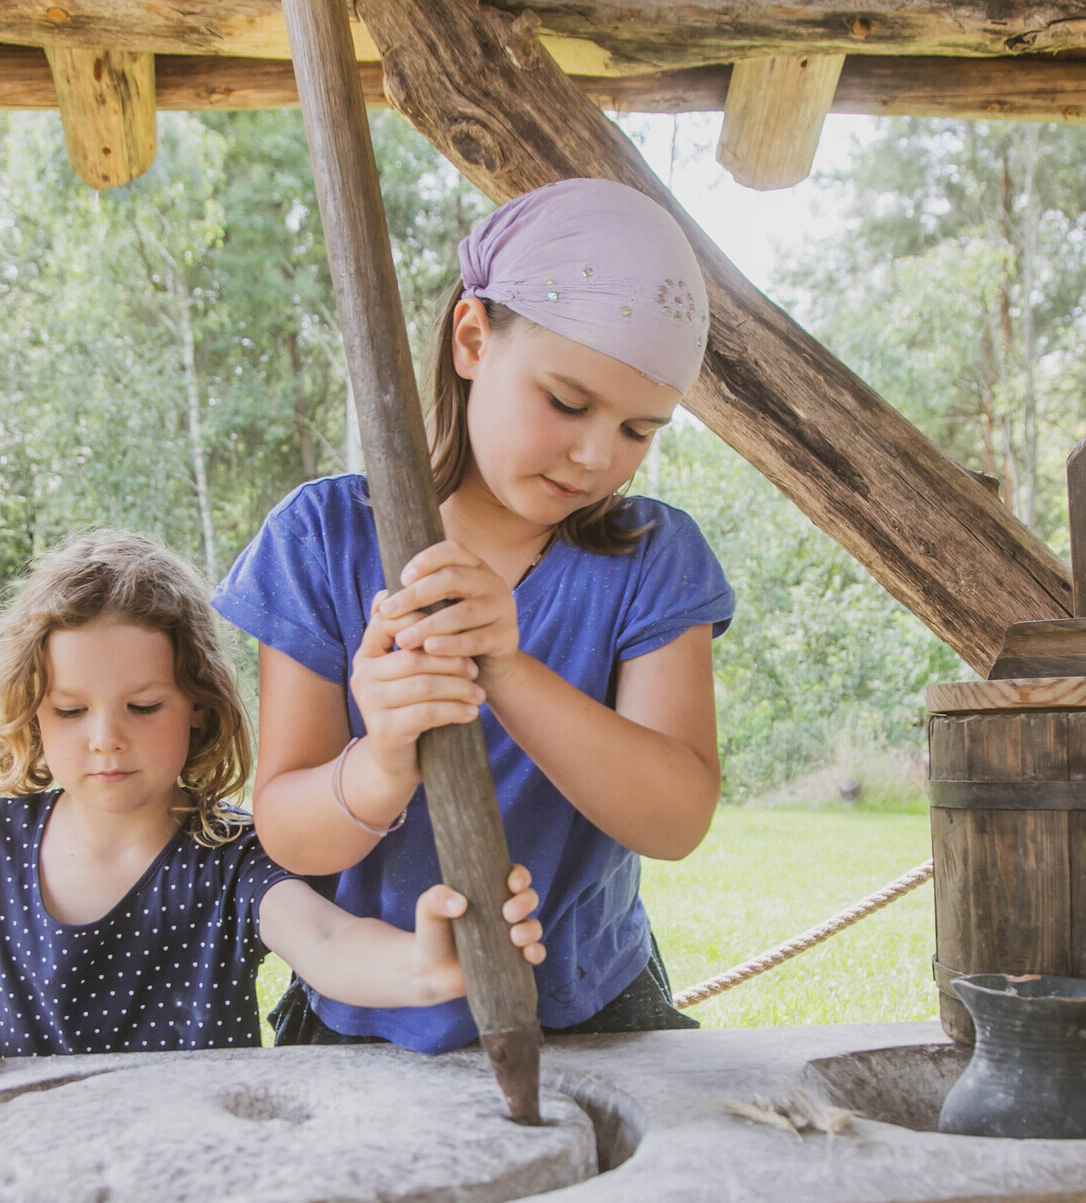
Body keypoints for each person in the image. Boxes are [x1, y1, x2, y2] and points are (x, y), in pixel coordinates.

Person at [214, 178, 732, 1055]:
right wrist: (383, 758)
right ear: (471, 339)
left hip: (592, 1013)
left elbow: (674, 817)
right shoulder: (323, 539)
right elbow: (291, 831)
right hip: (360, 1019)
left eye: (641, 429)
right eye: (568, 402)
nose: (597, 455)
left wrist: (507, 666)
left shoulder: (650, 556)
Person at [0, 529, 544, 1076]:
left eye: (143, 706)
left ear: (198, 708)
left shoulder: (230, 857)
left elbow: (328, 939)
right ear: (33, 712)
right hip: (27, 1188)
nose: (106, 739)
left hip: (198, 1186)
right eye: (70, 709)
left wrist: (423, 965)